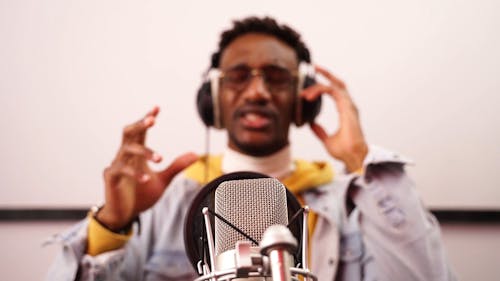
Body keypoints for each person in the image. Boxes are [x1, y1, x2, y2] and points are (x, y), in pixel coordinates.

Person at [46, 16, 454, 280]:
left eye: (276, 77)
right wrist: (114, 224)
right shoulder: (166, 202)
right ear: (214, 98)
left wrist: (361, 160)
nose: (257, 91)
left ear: (303, 98)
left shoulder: (352, 205)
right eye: (240, 76)